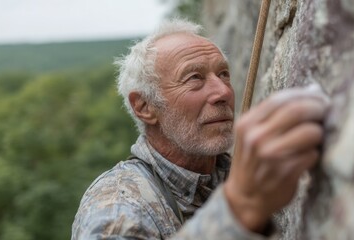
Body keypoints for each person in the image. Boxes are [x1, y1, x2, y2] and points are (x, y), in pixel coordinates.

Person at [72, 19, 329, 240]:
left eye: (224, 74)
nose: (223, 92)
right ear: (145, 106)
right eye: (194, 78)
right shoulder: (117, 206)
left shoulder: (229, 173)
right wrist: (239, 207)